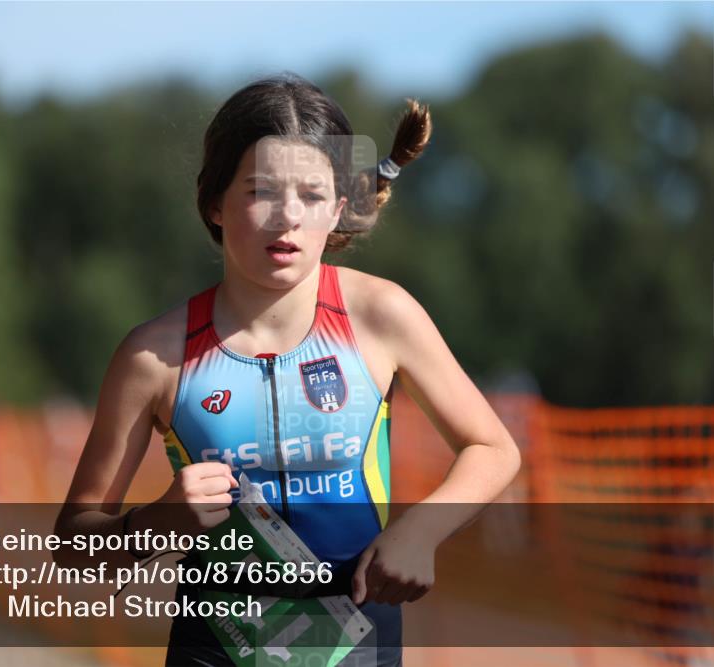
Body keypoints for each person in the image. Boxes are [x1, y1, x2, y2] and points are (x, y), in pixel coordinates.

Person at [55, 72, 522, 666]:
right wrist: (155, 524)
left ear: (340, 208)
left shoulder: (382, 315)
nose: (288, 217)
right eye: (261, 191)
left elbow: (492, 448)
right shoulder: (152, 355)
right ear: (214, 203)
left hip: (359, 641)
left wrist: (420, 531)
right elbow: (72, 546)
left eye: (312, 195)